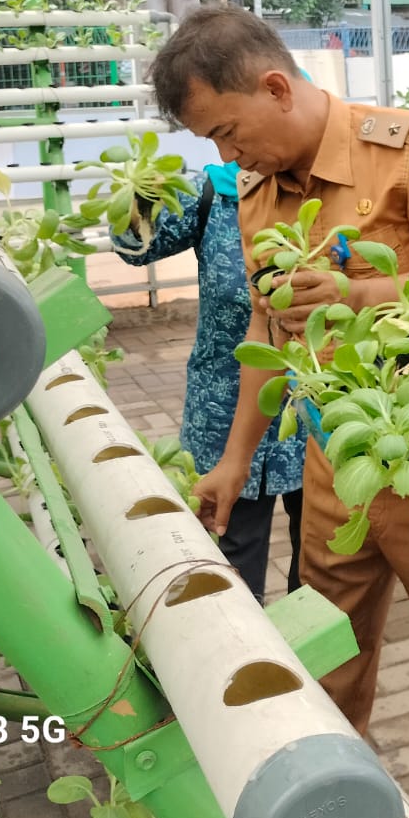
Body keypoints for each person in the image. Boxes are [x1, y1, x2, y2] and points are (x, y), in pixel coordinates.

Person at [146, 2, 409, 818]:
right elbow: (266, 326)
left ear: (276, 86)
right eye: (211, 140)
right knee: (327, 651)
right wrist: (234, 464)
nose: (225, 153)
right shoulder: (256, 188)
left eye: (226, 130)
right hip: (339, 460)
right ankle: (330, 803)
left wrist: (362, 295)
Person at [110, 158, 304, 600]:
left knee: (317, 556)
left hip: (311, 407)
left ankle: (309, 659)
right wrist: (140, 194)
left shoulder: (330, 196)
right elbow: (134, 248)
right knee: (232, 545)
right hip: (224, 404)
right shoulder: (214, 193)